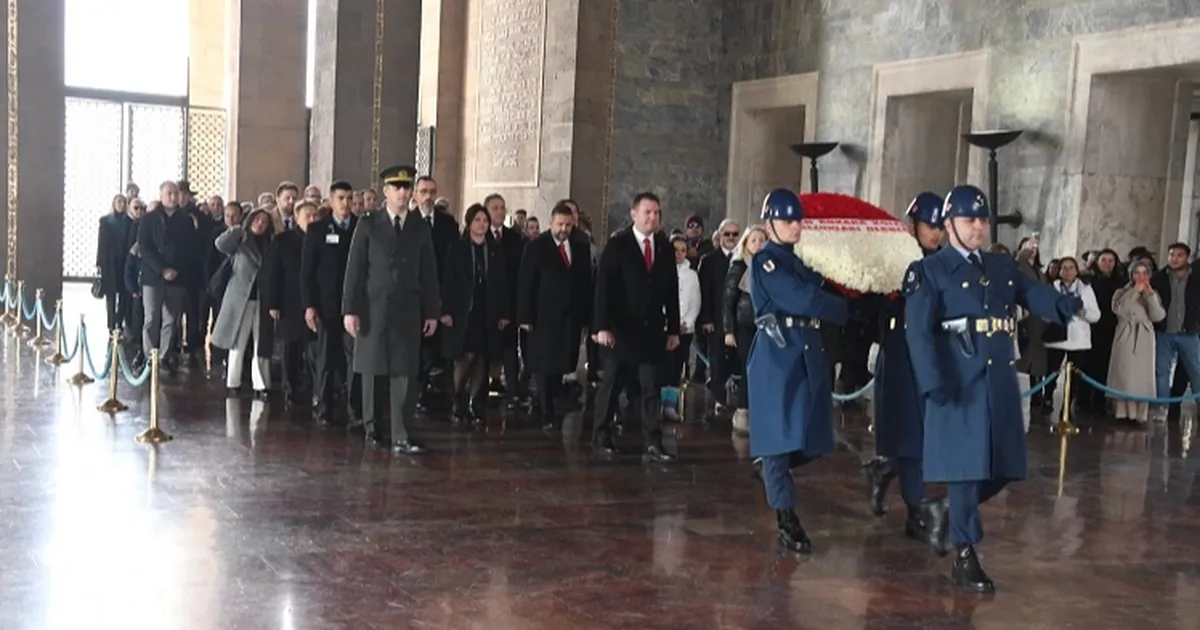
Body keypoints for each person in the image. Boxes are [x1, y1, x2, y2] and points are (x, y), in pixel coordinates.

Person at [904, 184, 1080, 593]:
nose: (979, 227)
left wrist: (1061, 304)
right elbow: (920, 334)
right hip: (957, 381)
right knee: (965, 471)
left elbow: (1029, 290)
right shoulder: (929, 271)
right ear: (949, 225)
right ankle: (965, 554)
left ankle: (946, 511)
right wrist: (931, 382)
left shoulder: (999, 267)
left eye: (983, 220)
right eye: (970, 220)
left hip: (997, 380)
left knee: (1004, 467)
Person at [746, 189, 849, 554]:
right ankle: (786, 518)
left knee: (812, 437)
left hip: (804, 350)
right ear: (770, 223)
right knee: (778, 439)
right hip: (778, 355)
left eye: (798, 220)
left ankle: (772, 468)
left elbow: (822, 286)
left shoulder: (799, 261)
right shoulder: (767, 262)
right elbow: (805, 299)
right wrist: (844, 309)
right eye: (788, 220)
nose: (795, 226)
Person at [863, 192, 946, 543]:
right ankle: (916, 512)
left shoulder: (945, 263)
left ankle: (885, 469)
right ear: (913, 225)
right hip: (900, 355)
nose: (937, 233)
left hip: (933, 357)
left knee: (923, 439)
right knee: (912, 437)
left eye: (941, 226)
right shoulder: (896, 261)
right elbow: (875, 305)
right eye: (930, 226)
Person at [342, 165, 441, 454]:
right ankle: (372, 427)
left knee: (404, 372)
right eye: (396, 187)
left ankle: (402, 433)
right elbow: (355, 270)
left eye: (406, 187)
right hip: (373, 308)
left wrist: (432, 311)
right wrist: (350, 309)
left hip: (407, 309)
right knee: (372, 370)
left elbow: (429, 272)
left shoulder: (420, 227)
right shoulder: (369, 224)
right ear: (385, 192)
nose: (402, 192)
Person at [591, 192, 680, 463]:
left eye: (656, 213)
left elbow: (671, 292)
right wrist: (601, 326)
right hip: (621, 330)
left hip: (652, 331)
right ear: (634, 214)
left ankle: (654, 441)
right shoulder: (618, 246)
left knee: (651, 386)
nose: (652, 217)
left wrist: (673, 329)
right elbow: (603, 290)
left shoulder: (664, 247)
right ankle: (601, 434)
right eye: (647, 212)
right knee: (613, 384)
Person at [517, 203, 593, 432]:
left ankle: (549, 402)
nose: (564, 229)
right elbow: (525, 284)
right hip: (543, 317)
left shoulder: (580, 247)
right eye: (560, 224)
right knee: (543, 364)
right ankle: (546, 411)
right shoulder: (536, 247)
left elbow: (585, 282)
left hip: (570, 318)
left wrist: (586, 316)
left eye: (568, 225)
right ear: (551, 223)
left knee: (561, 362)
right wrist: (525, 316)